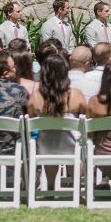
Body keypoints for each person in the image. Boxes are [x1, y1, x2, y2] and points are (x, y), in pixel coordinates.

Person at [27, 53, 87, 187]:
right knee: (78, 144)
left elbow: (31, 121)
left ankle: (50, 186)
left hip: (44, 148)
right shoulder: (76, 95)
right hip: (72, 148)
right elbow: (86, 118)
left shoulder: (35, 98)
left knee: (49, 141)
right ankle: (76, 186)